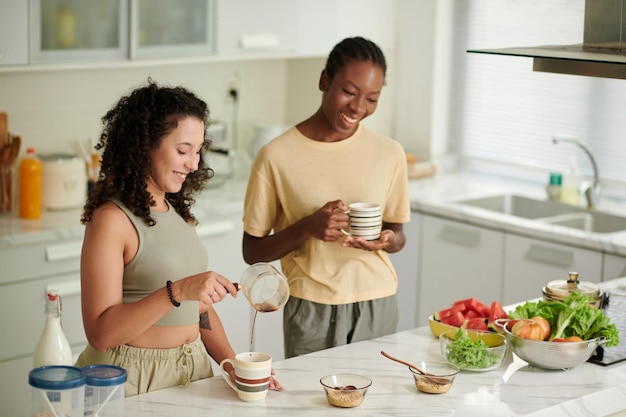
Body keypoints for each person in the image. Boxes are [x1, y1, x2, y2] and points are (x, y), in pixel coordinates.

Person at [75, 79, 283, 395]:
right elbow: (101, 333)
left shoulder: (177, 212)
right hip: (129, 376)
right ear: (144, 145)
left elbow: (196, 307)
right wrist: (180, 289)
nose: (194, 163)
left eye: (198, 151)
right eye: (183, 150)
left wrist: (232, 366)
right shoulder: (111, 220)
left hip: (192, 369)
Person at [242, 37, 411, 358]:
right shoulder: (275, 155)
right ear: (324, 81)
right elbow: (252, 251)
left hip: (378, 300)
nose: (359, 108)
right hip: (311, 307)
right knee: (308, 405)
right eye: (349, 92)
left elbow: (399, 235)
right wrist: (308, 227)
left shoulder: (390, 153)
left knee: (374, 405)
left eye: (372, 98)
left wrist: (386, 239)